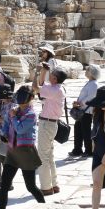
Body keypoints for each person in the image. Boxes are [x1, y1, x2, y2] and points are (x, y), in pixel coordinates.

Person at [0, 85, 46, 209]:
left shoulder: (31, 114)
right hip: (12, 151)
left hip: (26, 153)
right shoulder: (14, 111)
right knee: (4, 185)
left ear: (31, 98)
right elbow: (6, 125)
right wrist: (4, 133)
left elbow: (20, 129)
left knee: (31, 187)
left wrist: (12, 117)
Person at [35, 64, 68, 196]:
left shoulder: (55, 91)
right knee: (49, 156)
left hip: (47, 124)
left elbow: (36, 88)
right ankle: (54, 184)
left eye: (52, 75)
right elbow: (43, 84)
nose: (50, 76)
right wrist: (44, 71)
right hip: (51, 124)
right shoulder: (56, 88)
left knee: (42, 157)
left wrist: (37, 73)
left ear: (55, 78)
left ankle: (46, 187)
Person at [71, 64, 100, 157]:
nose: (86, 71)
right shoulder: (90, 82)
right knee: (78, 130)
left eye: (87, 70)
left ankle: (88, 150)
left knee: (86, 131)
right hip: (82, 110)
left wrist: (79, 103)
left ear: (91, 73)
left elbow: (91, 97)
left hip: (86, 111)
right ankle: (77, 149)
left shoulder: (94, 84)